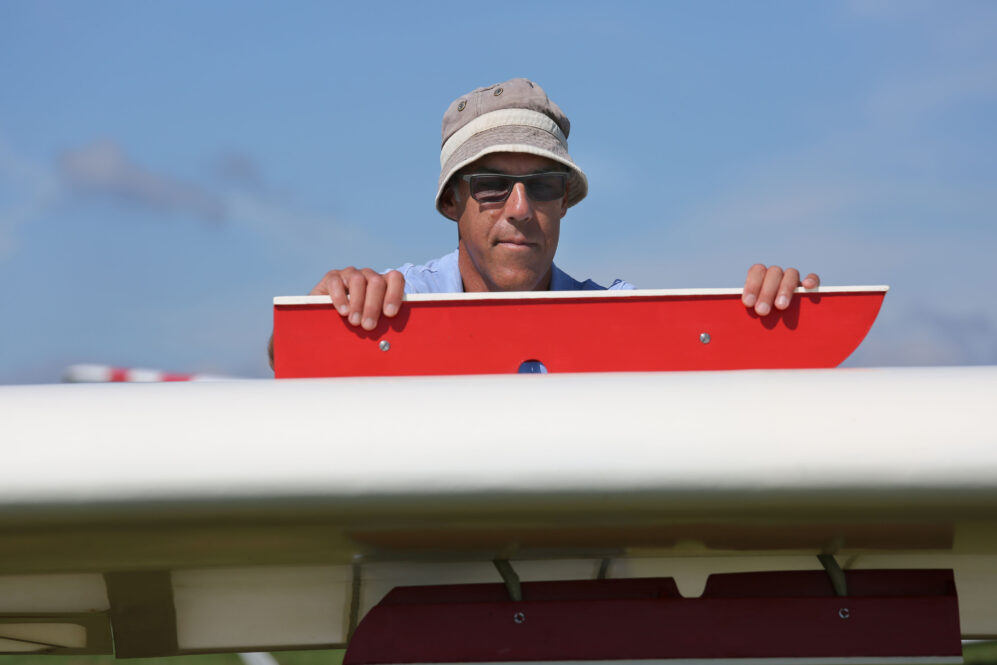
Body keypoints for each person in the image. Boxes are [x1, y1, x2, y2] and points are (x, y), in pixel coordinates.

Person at [273, 78, 818, 360]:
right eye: (490, 185)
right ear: (451, 203)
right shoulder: (397, 305)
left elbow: (712, 355)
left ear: (564, 203)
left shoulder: (618, 315)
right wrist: (323, 317)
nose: (520, 208)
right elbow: (287, 360)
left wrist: (774, 320)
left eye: (543, 186)